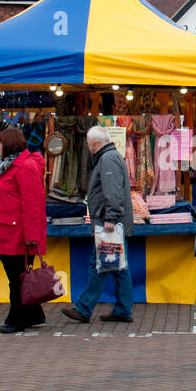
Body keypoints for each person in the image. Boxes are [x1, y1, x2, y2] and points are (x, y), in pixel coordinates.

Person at [0, 127, 48, 334]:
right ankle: (34, 314)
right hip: (6, 231)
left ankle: (16, 318)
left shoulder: (23, 167)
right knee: (19, 277)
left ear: (8, 144)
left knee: (17, 279)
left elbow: (32, 204)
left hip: (16, 235)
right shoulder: (6, 167)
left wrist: (32, 237)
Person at [62, 126, 134, 323]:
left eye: (87, 142)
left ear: (94, 143)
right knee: (118, 267)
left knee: (100, 265)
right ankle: (122, 309)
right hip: (113, 221)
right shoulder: (110, 157)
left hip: (110, 224)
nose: (87, 146)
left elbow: (112, 192)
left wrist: (110, 218)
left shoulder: (107, 159)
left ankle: (84, 308)